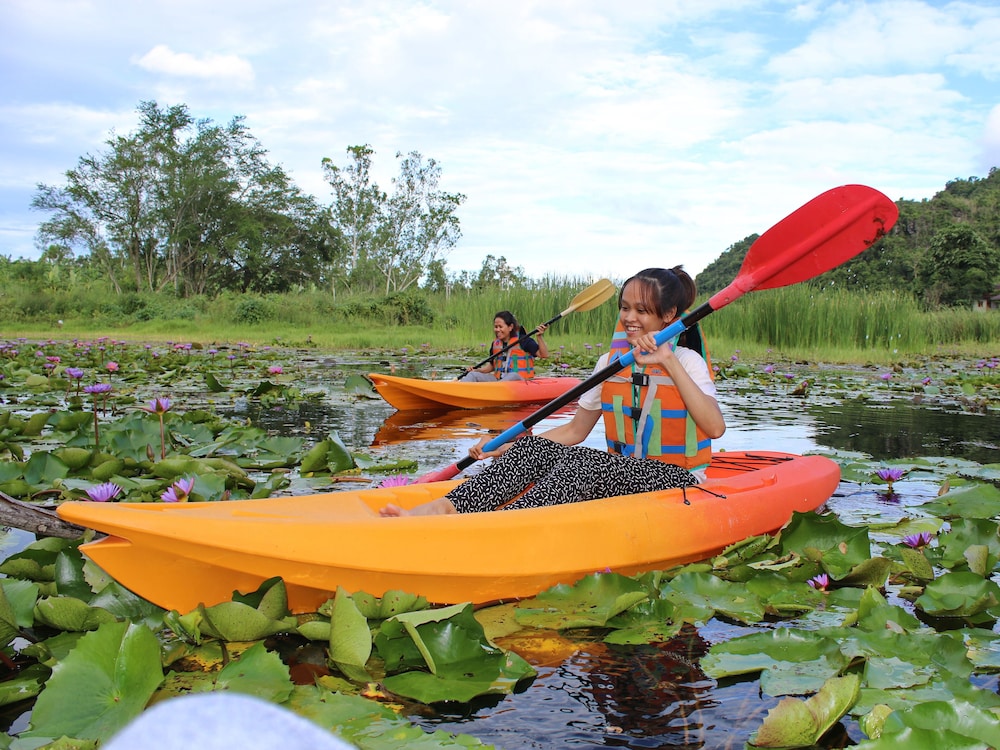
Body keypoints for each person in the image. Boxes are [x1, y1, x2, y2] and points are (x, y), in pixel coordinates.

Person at [381, 267, 725, 516]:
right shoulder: (610, 362)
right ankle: (445, 508)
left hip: (678, 478)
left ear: (668, 316)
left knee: (581, 463)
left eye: (642, 310)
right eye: (625, 307)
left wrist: (667, 362)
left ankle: (509, 522)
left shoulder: (686, 360)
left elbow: (715, 428)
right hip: (626, 472)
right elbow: (576, 430)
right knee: (533, 447)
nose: (629, 318)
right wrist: (506, 445)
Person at [459, 311, 549, 381]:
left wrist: (539, 336)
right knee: (473, 375)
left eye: (500, 327)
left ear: (510, 327)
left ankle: (494, 392)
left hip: (521, 382)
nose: (497, 330)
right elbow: (492, 366)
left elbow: (544, 355)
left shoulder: (524, 340)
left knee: (513, 375)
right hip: (499, 381)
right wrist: (476, 370)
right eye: (495, 327)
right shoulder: (495, 344)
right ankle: (460, 391)